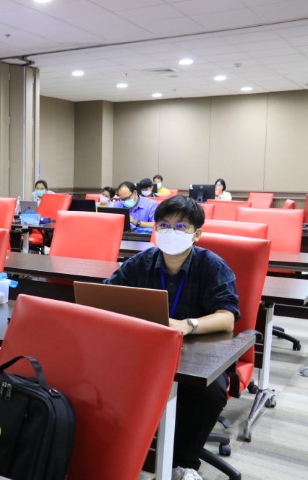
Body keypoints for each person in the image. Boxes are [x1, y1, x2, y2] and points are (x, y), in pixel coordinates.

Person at [105, 195, 239, 480]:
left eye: (181, 227)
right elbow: (107, 295)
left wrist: (188, 325)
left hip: (196, 354)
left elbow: (227, 317)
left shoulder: (212, 266)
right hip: (147, 349)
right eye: (164, 225)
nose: (170, 232)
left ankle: (183, 463)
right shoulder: (142, 262)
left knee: (211, 392)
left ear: (197, 234)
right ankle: (118, 452)